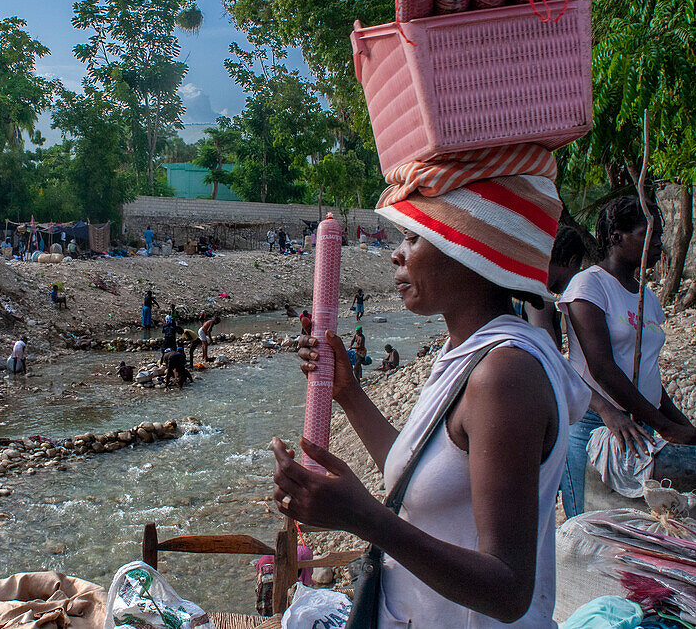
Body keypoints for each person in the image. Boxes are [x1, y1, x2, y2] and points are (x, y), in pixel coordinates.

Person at [277, 143, 589, 627]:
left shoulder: (504, 376)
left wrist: (363, 519)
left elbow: (507, 590)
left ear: (467, 249)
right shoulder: (464, 353)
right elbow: (420, 479)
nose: (397, 255)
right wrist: (349, 393)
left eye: (414, 237)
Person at [558, 196, 696, 517]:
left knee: (633, 532)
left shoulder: (646, 294)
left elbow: (649, 373)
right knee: (589, 530)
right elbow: (602, 368)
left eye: (660, 236)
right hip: (595, 423)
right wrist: (663, 425)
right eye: (649, 234)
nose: (658, 244)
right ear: (616, 237)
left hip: (639, 424)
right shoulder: (589, 285)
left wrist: (680, 425)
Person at [525, 226, 586, 349]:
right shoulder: (540, 299)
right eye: (576, 270)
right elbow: (547, 351)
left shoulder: (524, 286)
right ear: (572, 261)